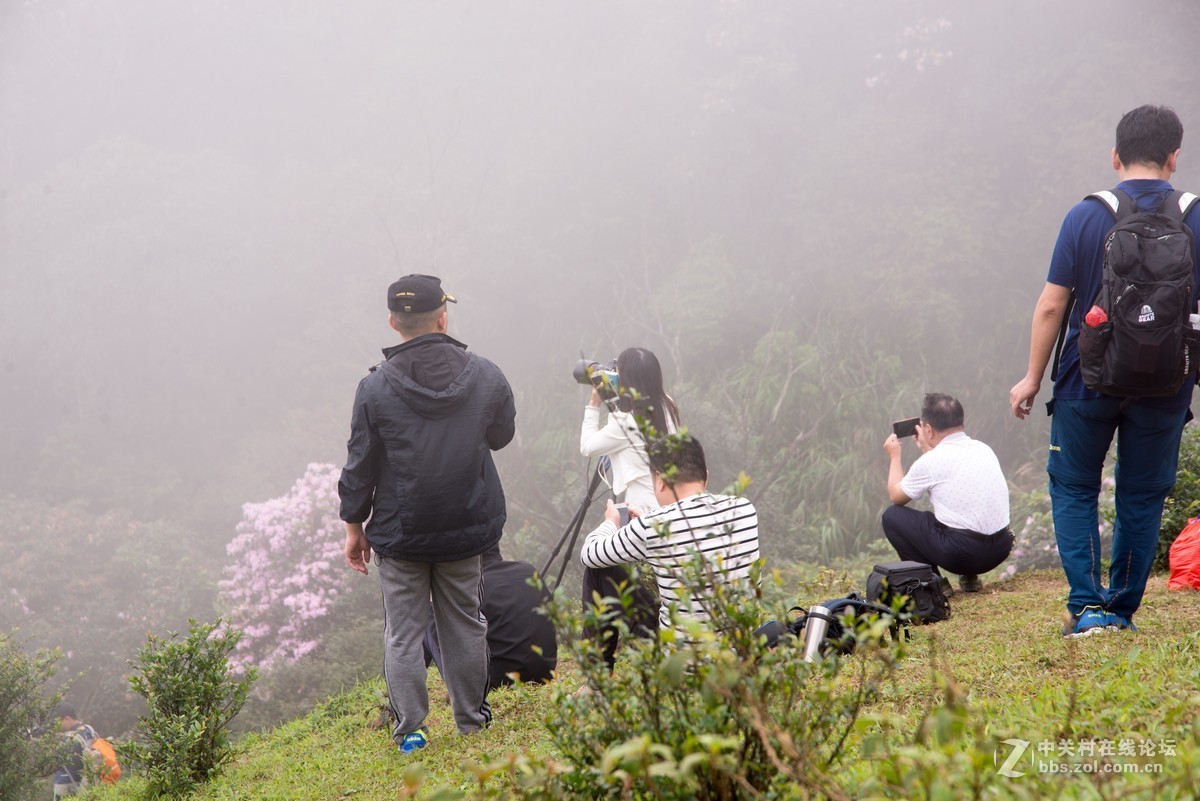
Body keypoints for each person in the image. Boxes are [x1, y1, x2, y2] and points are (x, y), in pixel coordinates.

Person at [1010, 105, 1200, 637]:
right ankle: (1121, 610)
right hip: (1165, 384)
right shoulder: (1197, 216)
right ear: (1174, 157)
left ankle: (1088, 608)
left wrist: (1031, 377)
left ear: (1115, 156)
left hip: (1083, 379)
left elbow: (1052, 306)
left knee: (1073, 487)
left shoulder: (1086, 216)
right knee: (1141, 494)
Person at [339, 274, 516, 753]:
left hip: (402, 534)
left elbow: (360, 465)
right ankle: (473, 723)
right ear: (442, 317)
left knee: (403, 632)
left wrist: (354, 529)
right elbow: (500, 436)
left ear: (394, 323)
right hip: (466, 528)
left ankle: (412, 731)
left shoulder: (374, 388)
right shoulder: (486, 375)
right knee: (465, 621)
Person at [580, 435, 761, 641]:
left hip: (682, 665)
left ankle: (599, 669)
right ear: (706, 477)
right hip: (742, 656)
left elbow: (589, 554)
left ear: (660, 480)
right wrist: (646, 527)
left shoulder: (653, 525)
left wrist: (611, 522)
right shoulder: (744, 508)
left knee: (598, 568)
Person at [578, 347, 680, 670]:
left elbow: (588, 447)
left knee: (596, 564)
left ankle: (630, 643)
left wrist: (595, 404)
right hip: (667, 517)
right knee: (602, 567)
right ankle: (604, 665)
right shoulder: (668, 406)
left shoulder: (626, 422)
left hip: (639, 521)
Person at [882, 393, 1012, 593]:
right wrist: (929, 450)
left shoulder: (931, 461)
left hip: (962, 555)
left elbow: (896, 495)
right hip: (1000, 549)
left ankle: (933, 583)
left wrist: (894, 456)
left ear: (928, 429)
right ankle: (970, 579)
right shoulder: (983, 448)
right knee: (960, 512)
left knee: (892, 516)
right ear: (961, 421)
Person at [424, 547, 557, 688]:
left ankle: (415, 686)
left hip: (496, 681)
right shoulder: (528, 570)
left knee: (425, 614)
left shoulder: (468, 588)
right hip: (545, 672)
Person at [51, 704, 96, 798]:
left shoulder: (71, 739)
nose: (56, 725)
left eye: (58, 721)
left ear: (67, 719)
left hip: (69, 789)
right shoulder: (88, 731)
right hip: (90, 786)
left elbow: (71, 770)